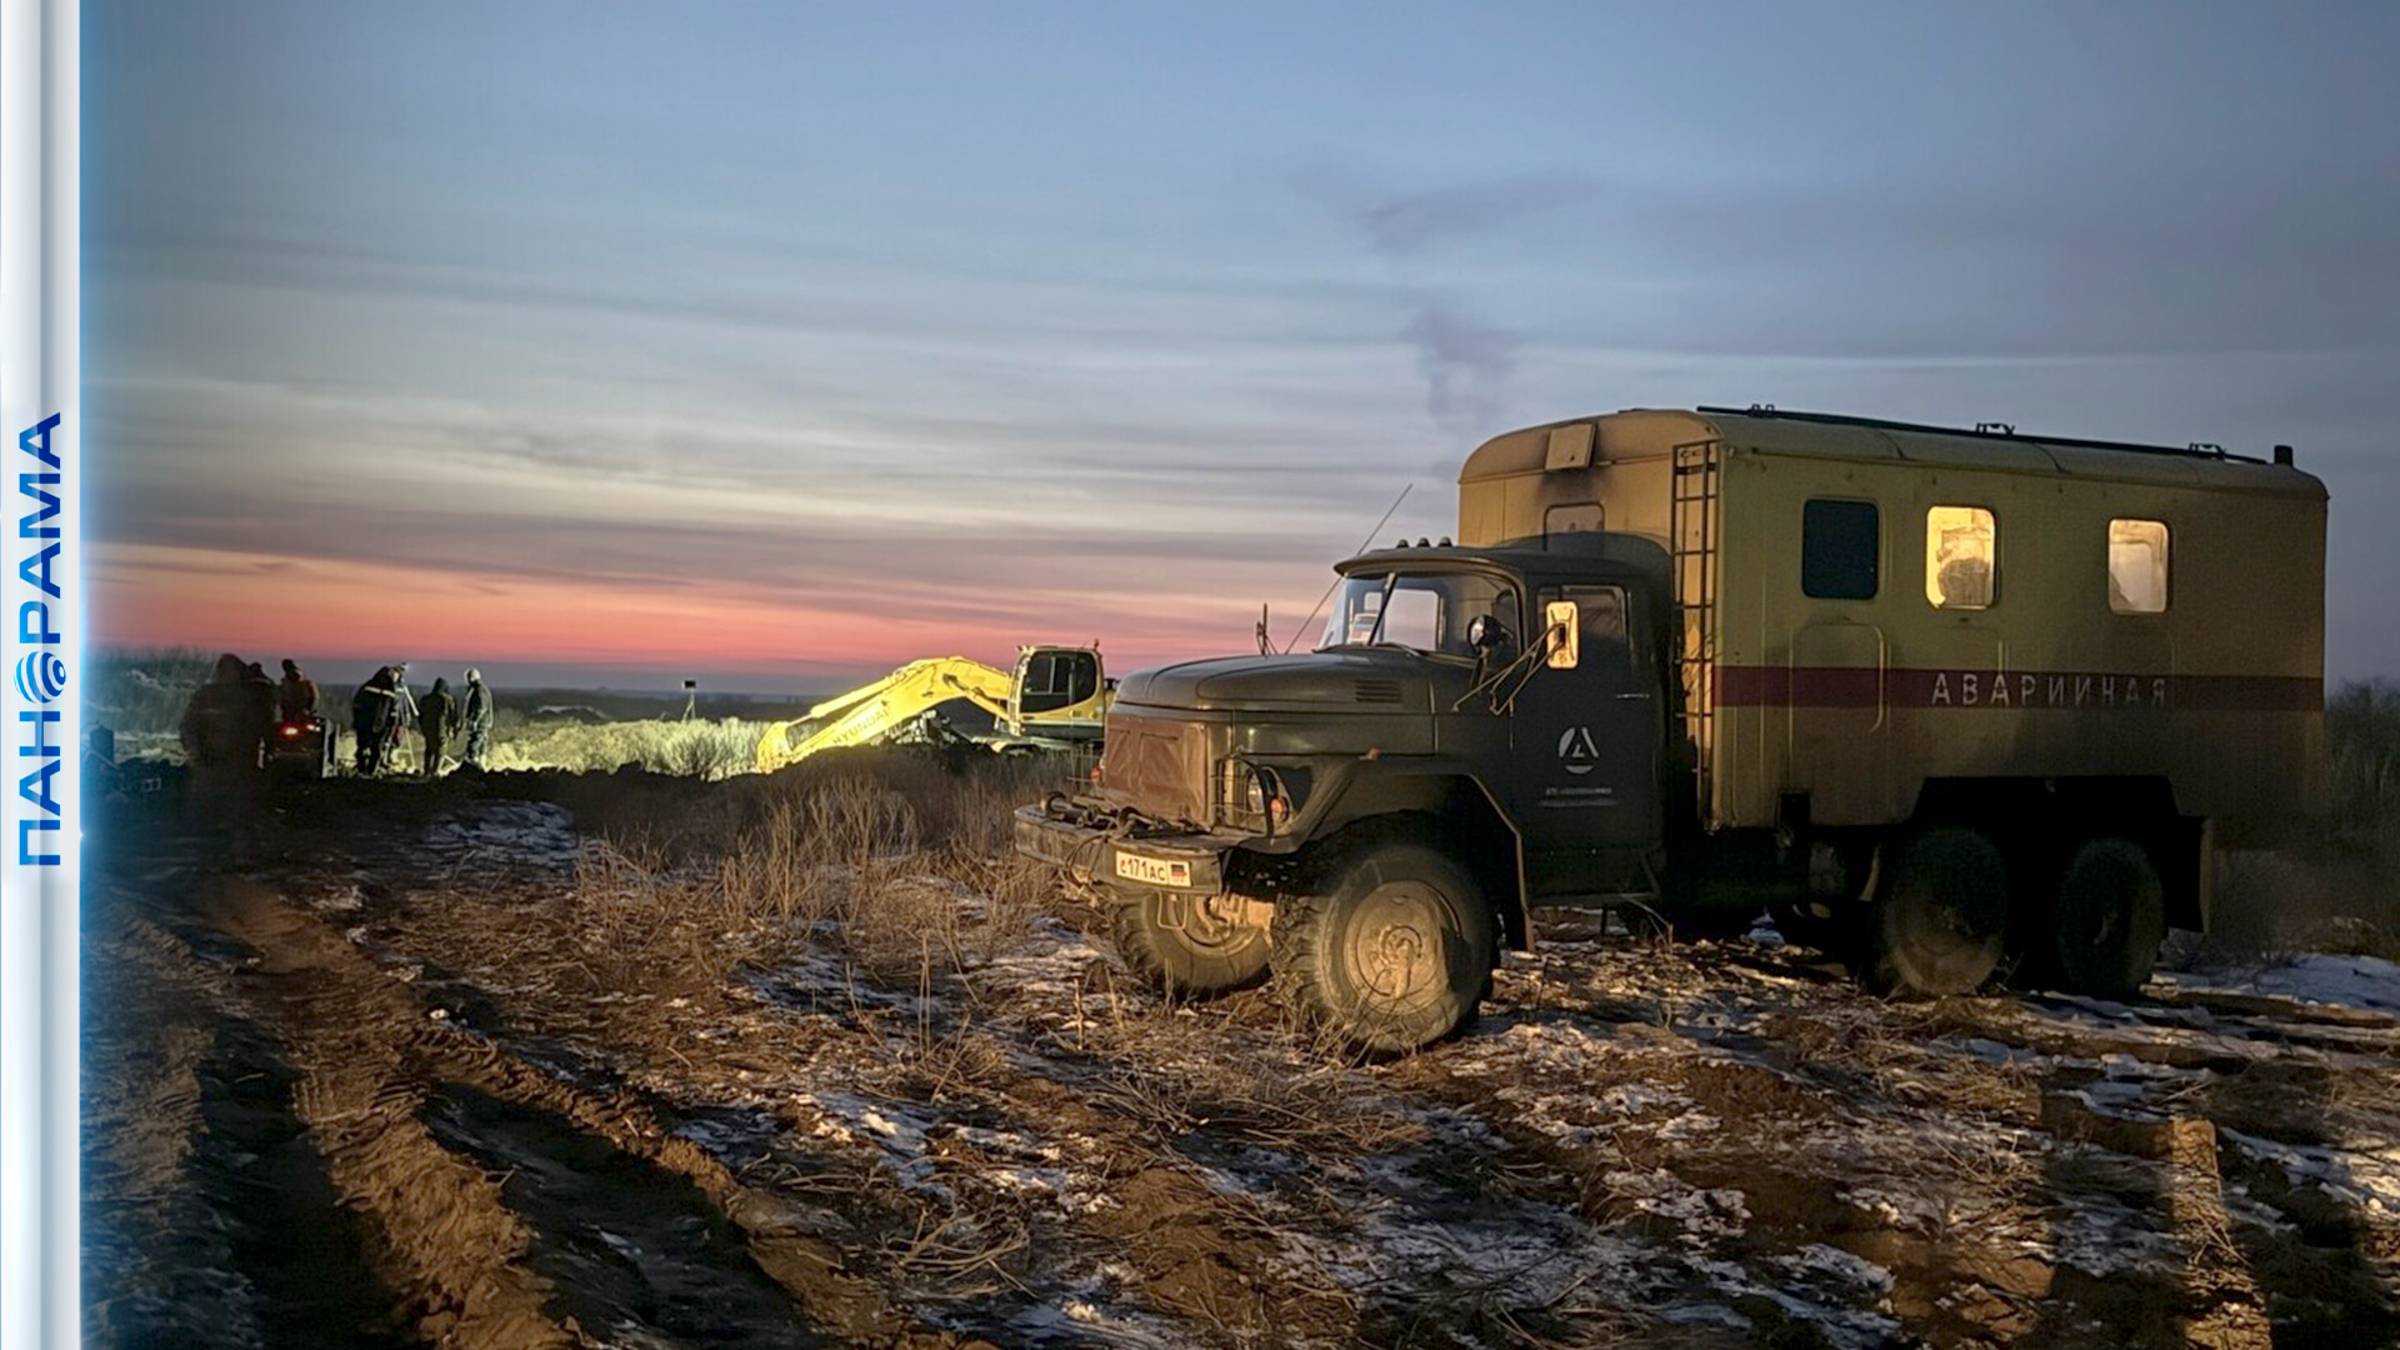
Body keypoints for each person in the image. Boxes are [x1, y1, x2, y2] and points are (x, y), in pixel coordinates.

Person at [179, 654, 268, 855]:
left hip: (237, 766)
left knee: (238, 813)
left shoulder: (248, 698)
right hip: (210, 764)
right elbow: (188, 727)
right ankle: (201, 852)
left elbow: (258, 729)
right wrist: (196, 752)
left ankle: (235, 852)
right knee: (204, 810)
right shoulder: (205, 696)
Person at [352, 665, 400, 776]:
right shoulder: (391, 691)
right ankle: (371, 771)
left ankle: (361, 769)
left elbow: (357, 704)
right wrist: (390, 730)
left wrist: (357, 721)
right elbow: (393, 713)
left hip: (364, 724)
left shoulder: (367, 686)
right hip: (380, 726)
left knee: (362, 748)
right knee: (376, 750)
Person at [419, 677, 457, 779]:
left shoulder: (425, 699)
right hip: (441, 729)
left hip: (427, 728)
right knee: (441, 749)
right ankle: (435, 771)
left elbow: (420, 715)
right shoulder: (447, 699)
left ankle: (426, 771)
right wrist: (453, 728)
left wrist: (423, 727)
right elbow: (453, 716)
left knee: (429, 748)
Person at [461, 668, 494, 770]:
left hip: (481, 724)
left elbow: (481, 708)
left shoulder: (479, 691)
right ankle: (481, 768)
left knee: (474, 746)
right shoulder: (480, 689)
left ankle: (474, 769)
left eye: (468, 678)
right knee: (482, 747)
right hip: (484, 723)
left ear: (471, 678)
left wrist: (475, 720)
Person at [277, 659, 321, 724]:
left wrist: (308, 709)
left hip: (301, 712)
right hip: (292, 713)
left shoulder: (305, 684)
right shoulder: (287, 683)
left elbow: (313, 697)